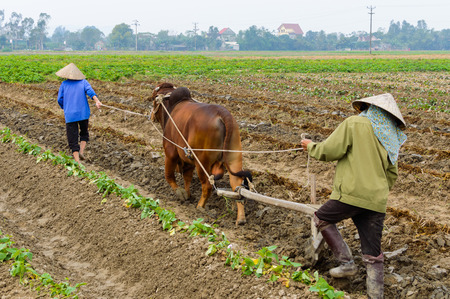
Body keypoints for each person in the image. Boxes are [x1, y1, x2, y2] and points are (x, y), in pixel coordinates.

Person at [301, 93, 407, 299]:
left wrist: (310, 147)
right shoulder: (390, 136)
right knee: (373, 254)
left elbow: (330, 151)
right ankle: (376, 295)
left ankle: (347, 263)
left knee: (321, 218)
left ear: (368, 108)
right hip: (376, 200)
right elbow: (392, 173)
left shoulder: (354, 123)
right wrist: (378, 191)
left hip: (350, 193)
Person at [56, 63, 102, 163]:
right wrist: (97, 101)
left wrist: (65, 107)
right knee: (84, 132)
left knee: (72, 137)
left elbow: (59, 99)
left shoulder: (64, 84)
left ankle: (77, 161)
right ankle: (81, 151)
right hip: (83, 113)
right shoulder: (83, 82)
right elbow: (90, 91)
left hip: (70, 114)